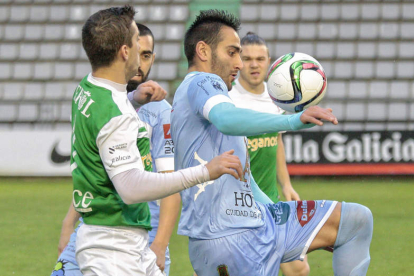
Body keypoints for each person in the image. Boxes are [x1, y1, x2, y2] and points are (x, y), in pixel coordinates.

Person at [171, 9, 373, 276]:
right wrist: (292, 121)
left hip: (258, 223)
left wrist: (277, 210)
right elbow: (225, 118)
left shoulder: (209, 96)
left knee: (355, 221)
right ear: (203, 51)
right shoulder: (201, 82)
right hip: (231, 237)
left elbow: (244, 180)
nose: (240, 64)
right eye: (232, 52)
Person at [70, 6, 242, 276]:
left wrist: (133, 100)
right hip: (114, 248)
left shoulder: (88, 87)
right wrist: (205, 171)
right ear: (125, 52)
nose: (141, 49)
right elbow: (130, 188)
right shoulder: (115, 115)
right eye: (136, 41)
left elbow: (102, 122)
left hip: (123, 241)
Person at [51, 22, 179, 276]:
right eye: (136, 53)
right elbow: (95, 172)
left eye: (146, 55)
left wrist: (160, 244)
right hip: (97, 225)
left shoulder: (161, 112)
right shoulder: (104, 100)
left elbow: (170, 188)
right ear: (123, 53)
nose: (140, 63)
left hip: (140, 232)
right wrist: (70, 222)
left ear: (153, 58)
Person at [228, 32, 309, 276]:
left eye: (260, 59)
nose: (254, 64)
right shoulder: (228, 99)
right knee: (218, 267)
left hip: (270, 201)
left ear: (269, 61)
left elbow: (277, 140)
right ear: (239, 61)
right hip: (236, 205)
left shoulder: (277, 96)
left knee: (298, 268)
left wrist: (286, 185)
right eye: (248, 58)